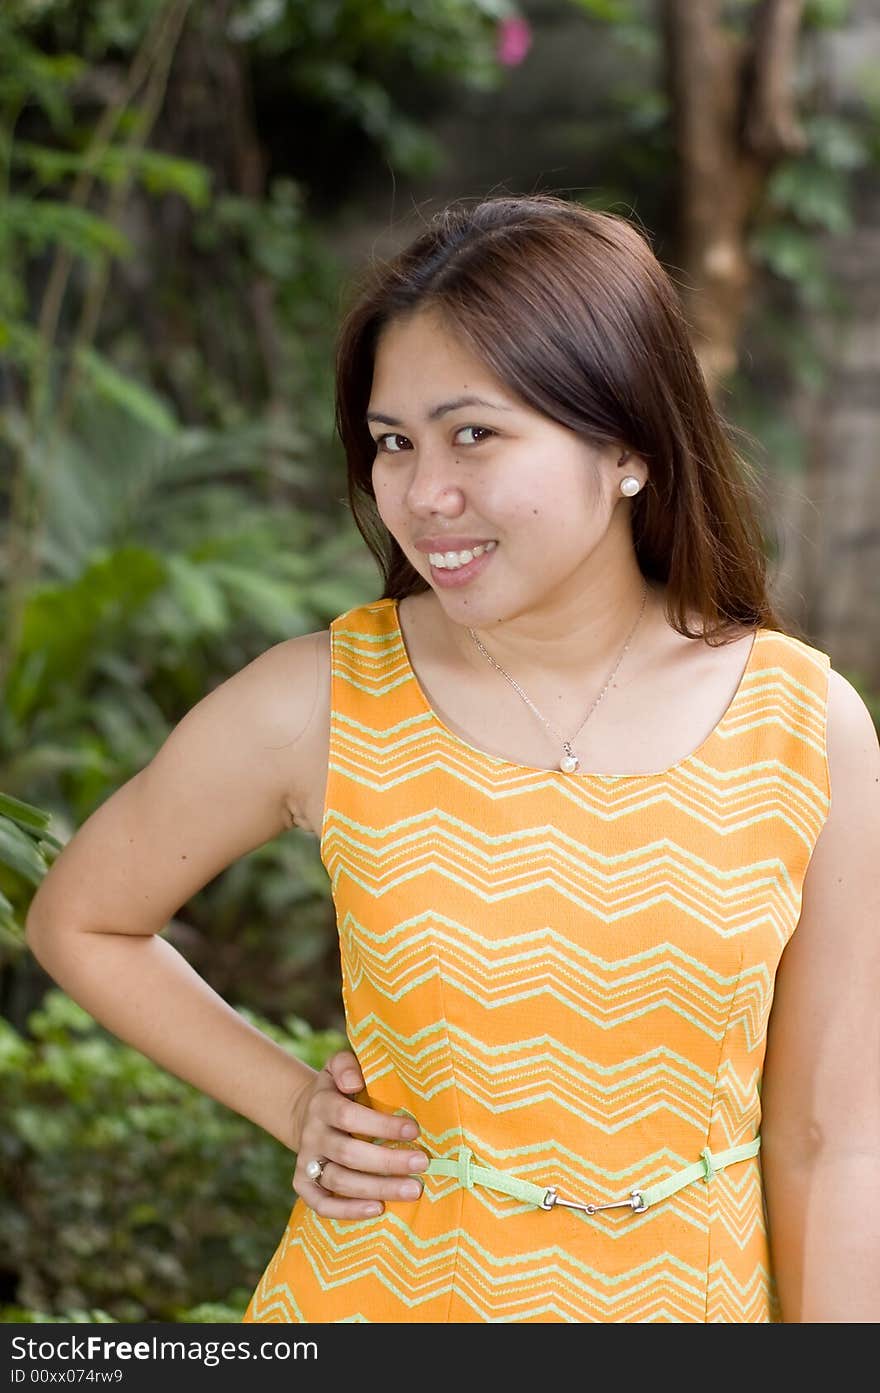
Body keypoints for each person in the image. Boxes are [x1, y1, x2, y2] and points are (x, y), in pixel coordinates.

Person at [24, 192, 880, 1325]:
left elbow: (832, 1140)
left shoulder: (803, 720)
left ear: (625, 445)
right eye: (393, 442)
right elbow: (81, 917)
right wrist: (294, 1107)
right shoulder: (322, 699)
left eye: (473, 432)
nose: (423, 496)